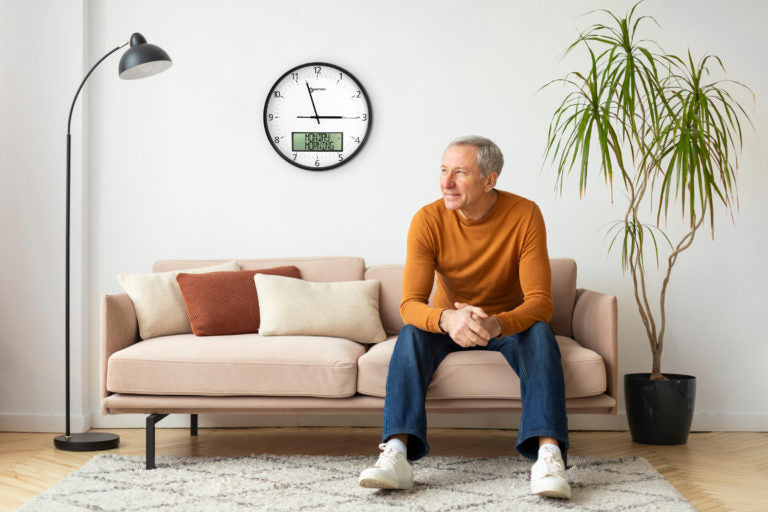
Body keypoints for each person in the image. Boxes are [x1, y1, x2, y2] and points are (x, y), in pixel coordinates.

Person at [357, 136, 571, 499]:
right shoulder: (427, 219)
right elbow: (410, 304)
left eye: (460, 172)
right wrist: (448, 320)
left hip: (506, 324)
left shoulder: (525, 214)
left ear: (490, 180)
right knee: (411, 332)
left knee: (539, 332)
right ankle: (396, 453)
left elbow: (540, 303)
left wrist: (497, 323)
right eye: (444, 170)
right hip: (449, 323)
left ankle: (549, 457)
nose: (446, 182)